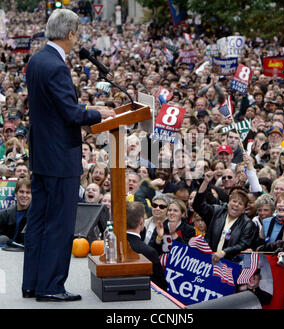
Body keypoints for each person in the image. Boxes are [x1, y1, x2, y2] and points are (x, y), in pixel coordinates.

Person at [22, 9, 115, 302]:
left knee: (38, 220)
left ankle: (33, 283)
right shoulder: (57, 66)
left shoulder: (36, 59)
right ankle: (51, 286)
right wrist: (97, 112)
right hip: (60, 157)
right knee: (60, 223)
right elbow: (69, 113)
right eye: (77, 34)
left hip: (42, 156)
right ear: (71, 33)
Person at [192, 171, 256, 264]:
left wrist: (224, 252)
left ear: (244, 209)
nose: (236, 205)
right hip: (207, 261)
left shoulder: (247, 224)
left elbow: (243, 244)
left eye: (240, 203)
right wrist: (205, 182)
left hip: (229, 264)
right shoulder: (217, 211)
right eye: (234, 201)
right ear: (229, 202)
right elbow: (197, 205)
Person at [126, 201, 168, 290]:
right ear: (141, 222)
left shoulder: (113, 245)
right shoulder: (148, 252)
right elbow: (161, 285)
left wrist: (159, 238)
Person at [0, 178, 31, 244]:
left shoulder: (36, 217)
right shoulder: (3, 214)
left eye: (28, 192)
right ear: (16, 194)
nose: (24, 195)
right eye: (21, 192)